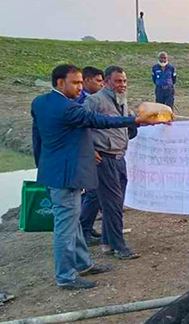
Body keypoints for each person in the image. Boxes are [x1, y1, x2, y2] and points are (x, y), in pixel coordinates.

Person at [31, 65, 159, 290]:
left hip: (52, 172)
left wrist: (41, 166)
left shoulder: (40, 103)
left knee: (73, 224)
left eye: (82, 82)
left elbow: (37, 138)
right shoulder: (68, 109)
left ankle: (83, 263)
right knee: (65, 229)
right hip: (66, 176)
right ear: (60, 82)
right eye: (76, 83)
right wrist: (135, 121)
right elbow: (101, 121)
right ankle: (66, 276)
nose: (81, 87)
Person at [82, 66, 142, 260]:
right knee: (114, 205)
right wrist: (90, 150)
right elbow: (80, 126)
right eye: (118, 81)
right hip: (104, 159)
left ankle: (107, 243)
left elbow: (132, 124)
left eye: (124, 81)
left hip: (119, 157)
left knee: (114, 203)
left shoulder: (123, 102)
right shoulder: (94, 101)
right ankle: (119, 247)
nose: (122, 85)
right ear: (107, 81)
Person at [76, 66, 106, 244]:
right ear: (87, 80)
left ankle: (86, 227)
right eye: (98, 80)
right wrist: (89, 150)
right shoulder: (82, 102)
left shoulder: (94, 99)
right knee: (93, 193)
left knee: (93, 193)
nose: (101, 84)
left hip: (93, 149)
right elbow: (81, 128)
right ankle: (84, 232)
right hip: (88, 152)